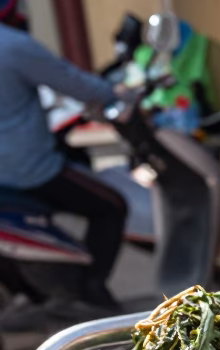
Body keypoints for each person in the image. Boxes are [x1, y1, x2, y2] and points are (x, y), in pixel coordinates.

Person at [0, 0, 125, 320]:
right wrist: (119, 93)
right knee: (112, 205)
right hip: (27, 170)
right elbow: (77, 84)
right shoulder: (15, 46)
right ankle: (92, 290)